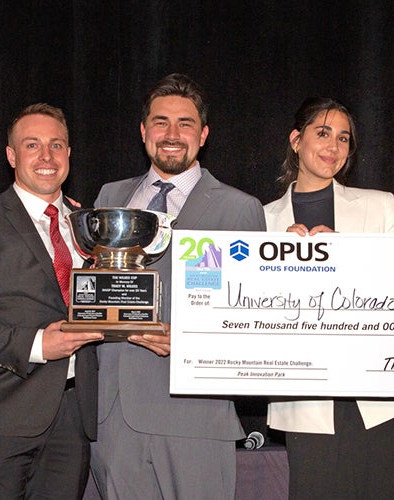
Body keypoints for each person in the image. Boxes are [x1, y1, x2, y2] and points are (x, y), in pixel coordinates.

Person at [90, 73, 266, 499]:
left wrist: (191, 340)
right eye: (161, 122)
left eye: (185, 123)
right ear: (143, 131)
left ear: (203, 135)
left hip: (194, 417)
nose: (172, 134)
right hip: (112, 420)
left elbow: (254, 322)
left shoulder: (240, 208)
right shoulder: (108, 197)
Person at [0, 103, 103, 499]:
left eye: (56, 145)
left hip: (74, 416)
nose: (46, 157)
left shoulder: (90, 225)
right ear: (12, 155)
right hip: (3, 412)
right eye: (32, 145)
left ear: (69, 154)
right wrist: (36, 345)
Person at [263, 97, 394, 499]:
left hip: (384, 399)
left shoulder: (378, 205)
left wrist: (351, 258)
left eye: (344, 138)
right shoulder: (261, 221)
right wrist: (272, 267)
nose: (333, 146)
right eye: (322, 133)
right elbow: (251, 313)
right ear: (296, 140)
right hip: (307, 402)